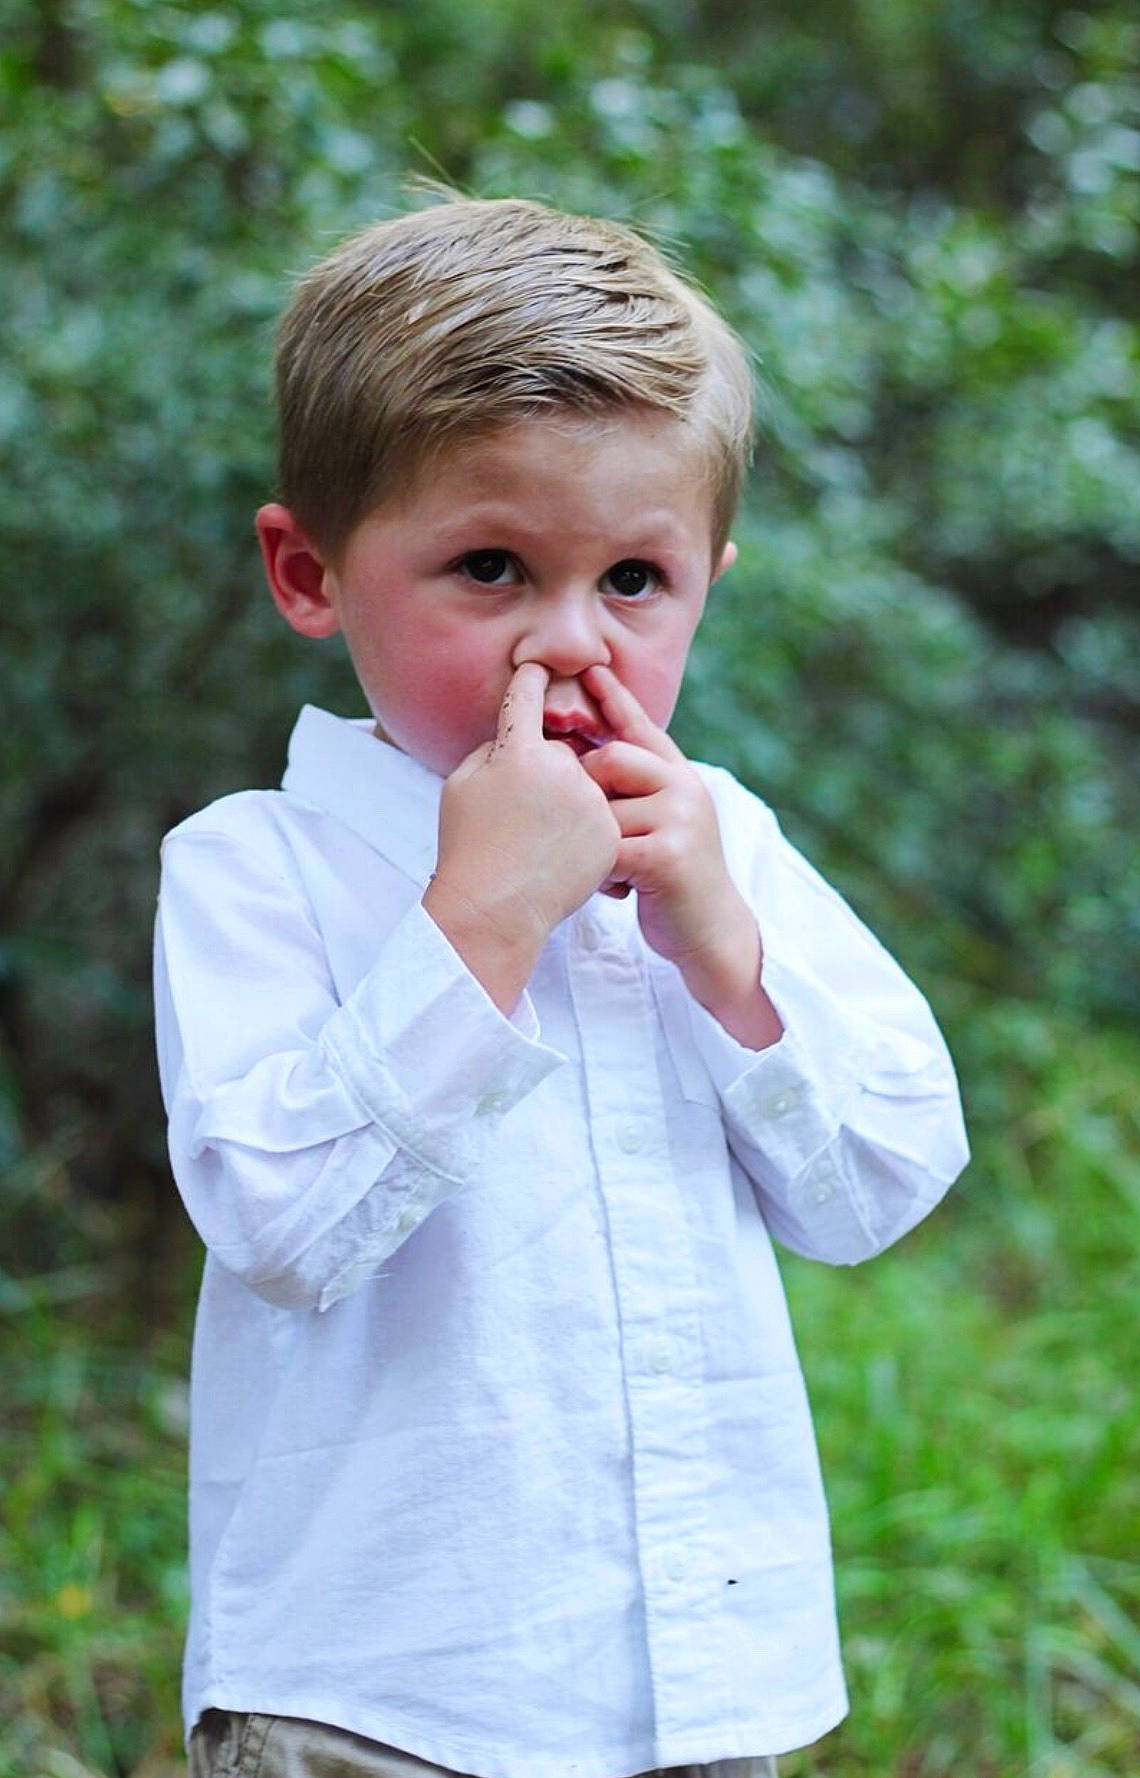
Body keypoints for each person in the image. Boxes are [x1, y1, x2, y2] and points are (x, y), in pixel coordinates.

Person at [154, 193, 969, 1778]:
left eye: (637, 582)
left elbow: (880, 1187)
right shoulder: (259, 866)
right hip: (380, 1695)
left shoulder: (722, 842)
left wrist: (727, 955)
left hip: (702, 1676)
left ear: (710, 581)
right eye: (490, 567)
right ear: (310, 572)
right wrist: (478, 926)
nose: (570, 645)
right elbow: (279, 1226)